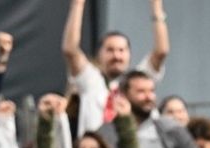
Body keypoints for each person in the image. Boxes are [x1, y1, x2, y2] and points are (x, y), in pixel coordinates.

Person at [62, 0, 170, 136]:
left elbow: (161, 51)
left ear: (129, 54)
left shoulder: (139, 79)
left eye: (122, 50)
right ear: (99, 54)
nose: (117, 55)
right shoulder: (91, 80)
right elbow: (70, 50)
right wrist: (78, 5)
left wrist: (157, 8)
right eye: (110, 50)